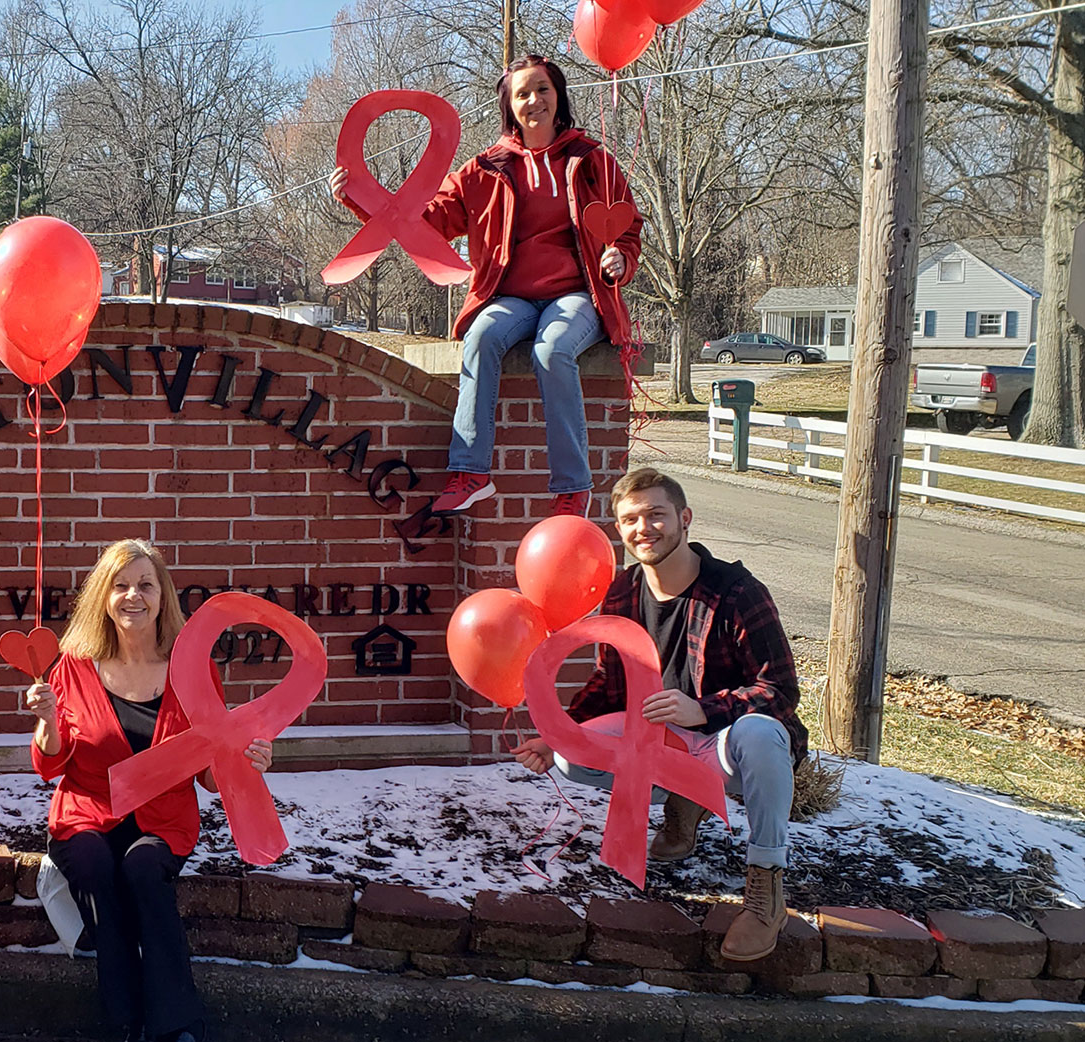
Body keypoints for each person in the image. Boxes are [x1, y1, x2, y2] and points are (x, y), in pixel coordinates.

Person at [512, 468, 808, 961]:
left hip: (726, 741)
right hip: (659, 741)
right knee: (572, 757)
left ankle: (765, 889)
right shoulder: (624, 592)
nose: (643, 528)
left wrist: (705, 709)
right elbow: (609, 685)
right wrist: (556, 734)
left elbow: (779, 690)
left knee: (761, 733)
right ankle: (682, 805)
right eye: (631, 519)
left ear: (684, 518)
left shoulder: (737, 592)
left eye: (656, 515)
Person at [329, 55, 643, 520]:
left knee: (552, 348)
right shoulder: (485, 169)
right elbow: (426, 223)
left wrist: (622, 257)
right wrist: (360, 200)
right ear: (509, 106)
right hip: (510, 296)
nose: (534, 100)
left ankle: (572, 488)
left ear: (558, 97)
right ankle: (471, 474)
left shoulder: (593, 161)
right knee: (481, 336)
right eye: (522, 93)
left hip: (577, 295)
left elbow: (627, 226)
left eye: (543, 89)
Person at [23, 540, 272, 1042]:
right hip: (87, 814)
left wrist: (247, 763)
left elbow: (207, 770)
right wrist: (47, 719)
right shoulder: (74, 664)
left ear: (163, 596)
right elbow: (50, 764)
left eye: (145, 585)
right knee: (93, 866)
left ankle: (173, 1025)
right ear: (103, 596)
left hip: (163, 819)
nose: (132, 595)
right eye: (119, 585)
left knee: (141, 869)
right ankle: (124, 1022)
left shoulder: (192, 670)